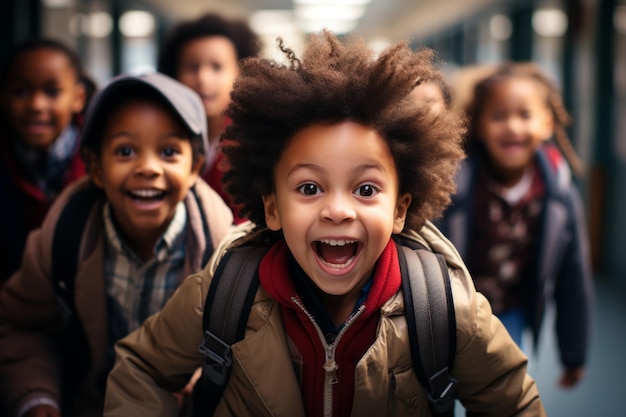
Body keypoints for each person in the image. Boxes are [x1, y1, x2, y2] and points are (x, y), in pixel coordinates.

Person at [104, 31, 546, 417]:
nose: (338, 210)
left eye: (366, 190)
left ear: (400, 209)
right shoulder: (220, 296)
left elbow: (514, 402)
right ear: (272, 207)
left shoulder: (446, 309)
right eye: (310, 188)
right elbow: (142, 368)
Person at [0, 72, 234, 417]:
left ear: (194, 167)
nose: (148, 168)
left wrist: (198, 382)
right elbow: (23, 327)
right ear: (95, 167)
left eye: (169, 152)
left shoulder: (223, 255)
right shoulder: (64, 237)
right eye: (125, 151)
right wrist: (37, 399)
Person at [436, 62, 593, 389]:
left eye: (524, 115)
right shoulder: (454, 186)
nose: (512, 127)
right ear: (478, 126)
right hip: (449, 318)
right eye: (498, 116)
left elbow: (572, 277)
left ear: (547, 124)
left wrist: (573, 354)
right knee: (441, 394)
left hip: (510, 314)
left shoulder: (559, 198)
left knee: (504, 395)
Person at [0, 38, 96, 287]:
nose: (35, 105)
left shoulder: (99, 158)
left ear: (78, 98)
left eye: (52, 92)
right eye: (21, 92)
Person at [157, 13, 262, 223]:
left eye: (217, 67)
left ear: (240, 73)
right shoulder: (162, 132)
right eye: (192, 67)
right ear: (175, 73)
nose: (203, 79)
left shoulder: (254, 139)